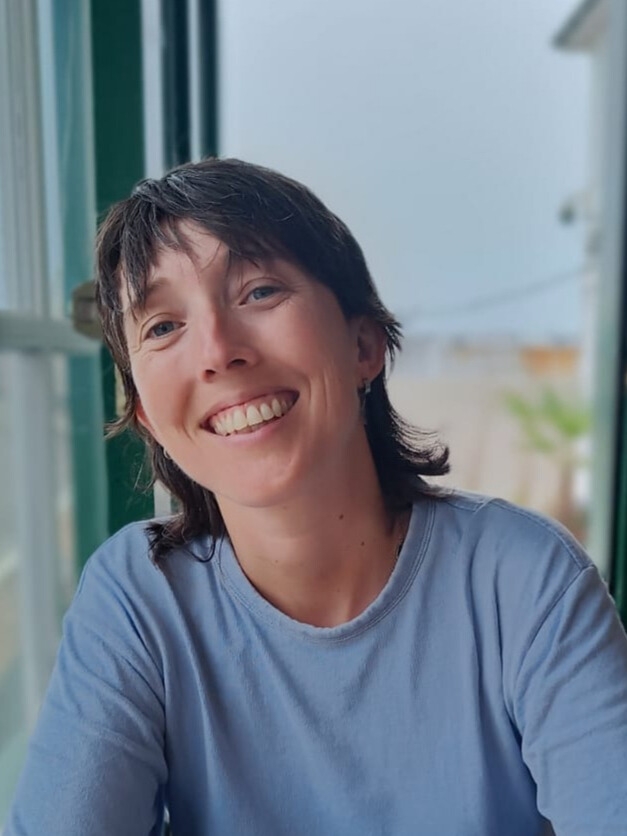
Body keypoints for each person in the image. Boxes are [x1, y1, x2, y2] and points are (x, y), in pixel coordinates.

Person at [5, 158, 627, 836]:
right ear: (148, 417)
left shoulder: (526, 581)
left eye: (258, 291)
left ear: (363, 344)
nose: (217, 351)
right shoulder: (138, 597)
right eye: (162, 327)